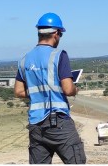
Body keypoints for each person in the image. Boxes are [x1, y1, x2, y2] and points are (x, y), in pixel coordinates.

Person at [15, 12, 86, 164]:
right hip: (59, 123)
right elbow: (67, 89)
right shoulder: (59, 55)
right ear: (55, 33)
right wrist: (75, 89)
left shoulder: (24, 60)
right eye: (60, 34)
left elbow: (19, 91)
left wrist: (40, 90)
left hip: (36, 126)